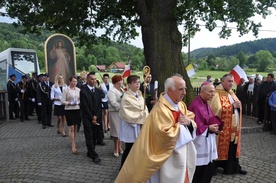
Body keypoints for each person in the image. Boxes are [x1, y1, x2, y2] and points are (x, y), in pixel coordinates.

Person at [115, 74, 197, 183]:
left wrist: (189, 123)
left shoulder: (181, 105)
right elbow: (165, 135)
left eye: (185, 89)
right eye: (181, 89)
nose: (184, 93)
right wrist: (182, 126)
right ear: (169, 90)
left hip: (182, 153)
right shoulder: (160, 110)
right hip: (166, 158)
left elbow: (189, 118)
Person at [209, 74, 247, 175]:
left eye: (232, 81)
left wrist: (238, 106)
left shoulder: (231, 93)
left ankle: (233, 168)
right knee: (220, 147)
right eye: (229, 81)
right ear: (223, 81)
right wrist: (231, 106)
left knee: (232, 148)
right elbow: (216, 110)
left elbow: (236, 106)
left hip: (233, 127)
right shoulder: (216, 93)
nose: (231, 83)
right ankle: (215, 167)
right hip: (223, 128)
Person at [189, 82, 221, 183]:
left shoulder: (205, 102)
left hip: (207, 141)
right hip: (200, 145)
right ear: (202, 92)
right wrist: (209, 128)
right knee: (200, 172)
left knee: (208, 168)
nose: (213, 94)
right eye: (210, 91)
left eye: (214, 92)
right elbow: (195, 127)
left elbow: (209, 119)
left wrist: (215, 126)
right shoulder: (196, 105)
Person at [118, 75, 149, 168]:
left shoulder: (139, 94)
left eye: (139, 82)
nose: (138, 84)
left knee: (137, 148)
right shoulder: (126, 97)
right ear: (129, 84)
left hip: (139, 125)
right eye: (135, 83)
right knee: (129, 148)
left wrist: (144, 114)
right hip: (131, 126)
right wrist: (141, 115)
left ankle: (134, 167)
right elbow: (127, 113)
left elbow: (144, 108)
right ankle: (123, 168)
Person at [80, 72, 105, 164]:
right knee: (89, 136)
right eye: (92, 79)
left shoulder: (98, 91)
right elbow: (84, 106)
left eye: (95, 79)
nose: (94, 81)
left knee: (95, 136)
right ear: (87, 79)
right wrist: (92, 117)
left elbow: (99, 105)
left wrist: (96, 116)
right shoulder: (83, 91)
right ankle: (94, 155)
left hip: (97, 116)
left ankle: (90, 151)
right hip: (87, 117)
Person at [61, 76, 81, 154]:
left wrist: (78, 102)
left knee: (75, 127)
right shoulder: (66, 90)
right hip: (69, 109)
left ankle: (73, 141)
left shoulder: (78, 90)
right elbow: (62, 101)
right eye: (73, 81)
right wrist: (69, 103)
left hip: (76, 109)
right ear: (70, 81)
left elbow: (80, 99)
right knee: (71, 127)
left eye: (76, 81)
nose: (74, 83)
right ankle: (72, 144)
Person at [107, 75, 124, 157]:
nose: (121, 82)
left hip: (121, 114)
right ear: (116, 82)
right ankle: (115, 147)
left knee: (120, 131)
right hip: (115, 113)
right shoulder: (111, 91)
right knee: (116, 132)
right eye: (120, 81)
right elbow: (113, 102)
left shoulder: (122, 90)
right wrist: (122, 107)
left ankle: (120, 147)